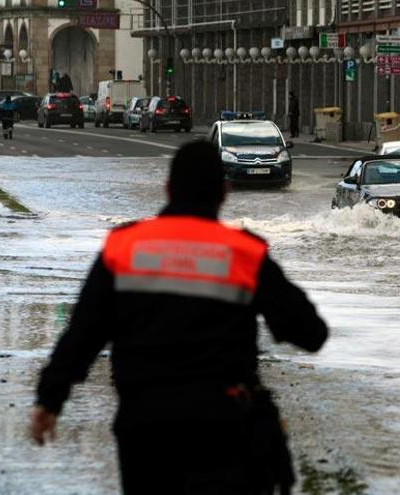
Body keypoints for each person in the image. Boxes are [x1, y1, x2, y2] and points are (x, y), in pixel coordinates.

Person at [30, 141, 329, 494]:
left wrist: (50, 400)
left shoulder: (124, 247)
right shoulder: (244, 254)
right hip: (222, 429)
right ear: (224, 191)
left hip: (145, 428)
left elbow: (83, 334)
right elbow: (311, 333)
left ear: (168, 189)